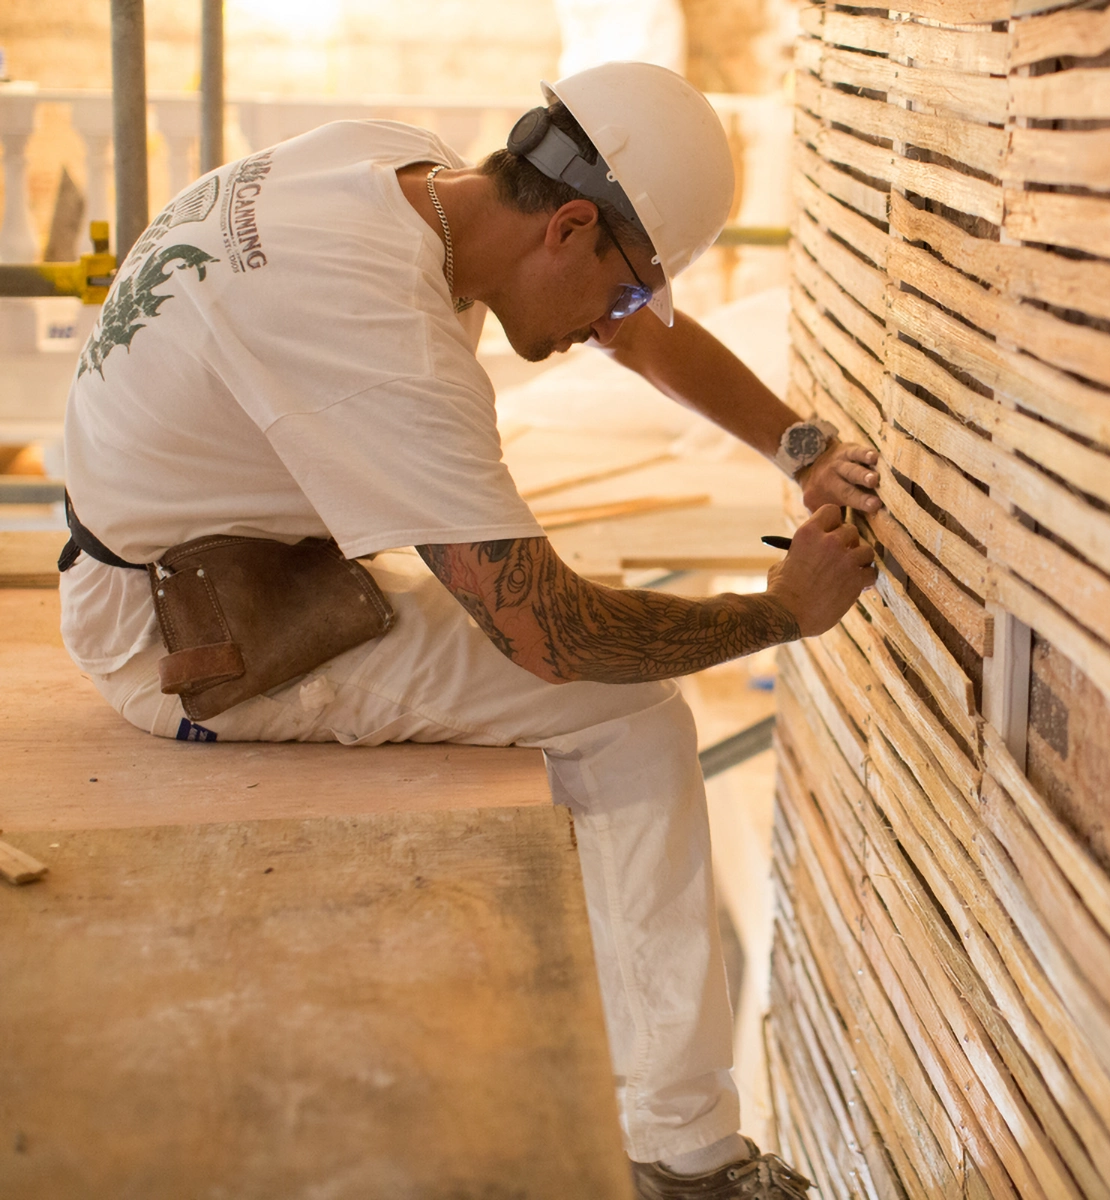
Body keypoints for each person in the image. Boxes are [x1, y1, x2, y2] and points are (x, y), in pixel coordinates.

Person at [57, 61, 880, 1198]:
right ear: (573, 226)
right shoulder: (376, 335)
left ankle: (671, 1127)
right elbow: (550, 639)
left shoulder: (400, 172)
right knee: (632, 714)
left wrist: (796, 444)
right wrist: (779, 615)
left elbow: (626, 334)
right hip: (190, 641)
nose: (617, 321)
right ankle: (684, 1156)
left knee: (580, 646)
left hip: (221, 564)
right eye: (627, 287)